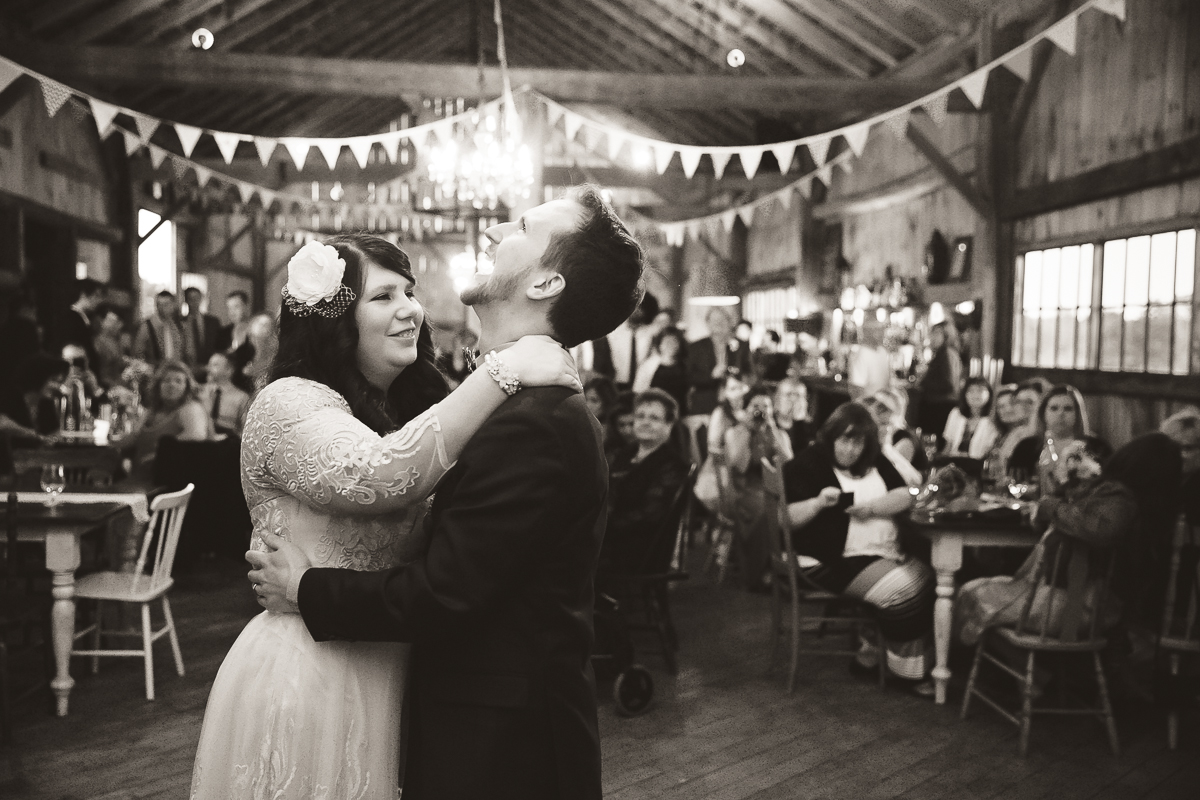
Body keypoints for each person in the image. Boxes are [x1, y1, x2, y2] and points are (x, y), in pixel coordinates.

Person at [242, 187, 645, 800]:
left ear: (545, 284)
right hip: (392, 696)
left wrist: (305, 587)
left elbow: (446, 592)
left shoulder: (537, 420)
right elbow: (387, 471)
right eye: (384, 295)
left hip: (503, 747)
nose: (493, 228)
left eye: (523, 224)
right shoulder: (501, 404)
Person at [955, 439, 1135, 689]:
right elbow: (1042, 523)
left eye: (1076, 457)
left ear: (1096, 460)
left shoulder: (1113, 494)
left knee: (970, 598)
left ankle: (1029, 678)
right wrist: (1057, 492)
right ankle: (1031, 676)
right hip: (1055, 593)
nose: (1068, 463)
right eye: (1068, 458)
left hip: (1078, 605)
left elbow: (1099, 531)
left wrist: (1050, 505)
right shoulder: (1079, 491)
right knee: (968, 593)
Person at [783, 402, 935, 692]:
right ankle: (907, 673)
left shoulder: (874, 459)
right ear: (832, 437)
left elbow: (907, 494)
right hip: (826, 558)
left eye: (859, 441)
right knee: (903, 591)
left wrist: (875, 508)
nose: (852, 449)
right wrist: (817, 503)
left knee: (928, 577)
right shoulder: (810, 462)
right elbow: (786, 519)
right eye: (846, 440)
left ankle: (870, 654)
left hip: (876, 553)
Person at [598, 389, 690, 583]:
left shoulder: (672, 465)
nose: (645, 422)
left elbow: (649, 516)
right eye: (640, 416)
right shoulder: (626, 453)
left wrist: (599, 527)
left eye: (655, 418)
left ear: (669, 425)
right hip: (612, 537)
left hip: (637, 549)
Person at [726, 385, 793, 591]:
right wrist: (748, 430)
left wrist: (772, 430)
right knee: (765, 510)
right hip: (745, 489)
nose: (761, 410)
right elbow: (740, 464)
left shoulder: (779, 433)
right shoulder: (735, 432)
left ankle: (785, 568)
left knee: (788, 508)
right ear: (746, 408)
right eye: (756, 405)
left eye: (766, 406)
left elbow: (789, 464)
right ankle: (760, 571)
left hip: (774, 488)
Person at [1008, 384, 1107, 495]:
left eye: (1068, 409)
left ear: (1078, 414)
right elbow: (1013, 483)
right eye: (1054, 408)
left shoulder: (1097, 447)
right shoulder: (1026, 446)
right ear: (1043, 413)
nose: (1061, 414)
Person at [123, 359, 214, 477]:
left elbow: (196, 436)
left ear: (187, 386)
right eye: (166, 380)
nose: (172, 385)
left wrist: (159, 455)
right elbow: (134, 437)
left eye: (178, 381)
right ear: (158, 385)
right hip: (141, 475)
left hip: (170, 481)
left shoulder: (190, 408)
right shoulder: (151, 411)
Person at [686, 306, 751, 419]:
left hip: (736, 402)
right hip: (705, 404)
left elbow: (750, 373)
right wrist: (711, 376)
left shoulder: (741, 346)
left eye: (722, 319)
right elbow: (688, 376)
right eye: (714, 320)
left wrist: (740, 385)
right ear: (708, 323)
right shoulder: (696, 347)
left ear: (730, 322)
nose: (718, 323)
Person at [592, 291, 657, 390]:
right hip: (615, 384)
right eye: (633, 307)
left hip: (640, 385)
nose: (636, 311)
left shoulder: (650, 334)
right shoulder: (613, 332)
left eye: (640, 308)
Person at [862, 391, 923, 487]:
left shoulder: (902, 441)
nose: (886, 430)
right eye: (882, 424)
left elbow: (913, 480)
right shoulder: (874, 448)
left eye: (887, 424)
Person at [916, 321, 962, 444]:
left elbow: (949, 384)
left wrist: (923, 383)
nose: (932, 338)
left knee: (934, 444)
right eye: (932, 334)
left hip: (940, 409)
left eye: (937, 334)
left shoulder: (947, 353)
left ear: (946, 336)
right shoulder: (943, 353)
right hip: (936, 407)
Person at [632, 325, 688, 416]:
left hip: (680, 413)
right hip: (653, 413)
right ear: (659, 344)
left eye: (674, 342)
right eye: (666, 342)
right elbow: (638, 391)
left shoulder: (685, 366)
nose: (670, 345)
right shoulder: (648, 365)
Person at [133, 290, 194, 368]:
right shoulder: (148, 326)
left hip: (176, 369)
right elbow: (138, 352)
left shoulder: (179, 325)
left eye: (166, 304)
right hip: (156, 370)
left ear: (173, 305)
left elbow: (187, 350)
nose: (161, 308)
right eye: (159, 305)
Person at [941, 376, 998, 458]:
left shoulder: (993, 419)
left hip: (978, 466)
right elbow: (948, 446)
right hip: (954, 462)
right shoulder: (956, 413)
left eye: (980, 390)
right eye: (971, 391)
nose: (975, 395)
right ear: (965, 395)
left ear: (989, 394)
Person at [197, 351, 251, 437]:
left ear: (229, 370)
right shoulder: (200, 391)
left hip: (228, 442)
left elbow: (245, 429)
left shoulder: (241, 397)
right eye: (209, 364)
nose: (208, 368)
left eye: (215, 365)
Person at [60, 277, 105, 367]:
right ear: (83, 295)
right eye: (96, 295)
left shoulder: (82, 318)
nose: (99, 301)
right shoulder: (72, 319)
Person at [183, 287, 223, 375]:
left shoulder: (213, 322)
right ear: (186, 300)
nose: (194, 302)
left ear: (201, 299)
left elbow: (219, 346)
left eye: (197, 298)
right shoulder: (180, 322)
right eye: (191, 299)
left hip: (209, 369)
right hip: (187, 369)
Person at [773, 376, 814, 458]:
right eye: (788, 395)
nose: (793, 400)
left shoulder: (808, 431)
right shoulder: (767, 424)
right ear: (776, 398)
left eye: (798, 395)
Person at [92, 304, 128, 390]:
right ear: (102, 322)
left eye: (117, 322)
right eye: (112, 321)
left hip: (119, 384)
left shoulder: (116, 341)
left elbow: (119, 362)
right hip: (107, 386)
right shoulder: (97, 342)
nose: (118, 325)